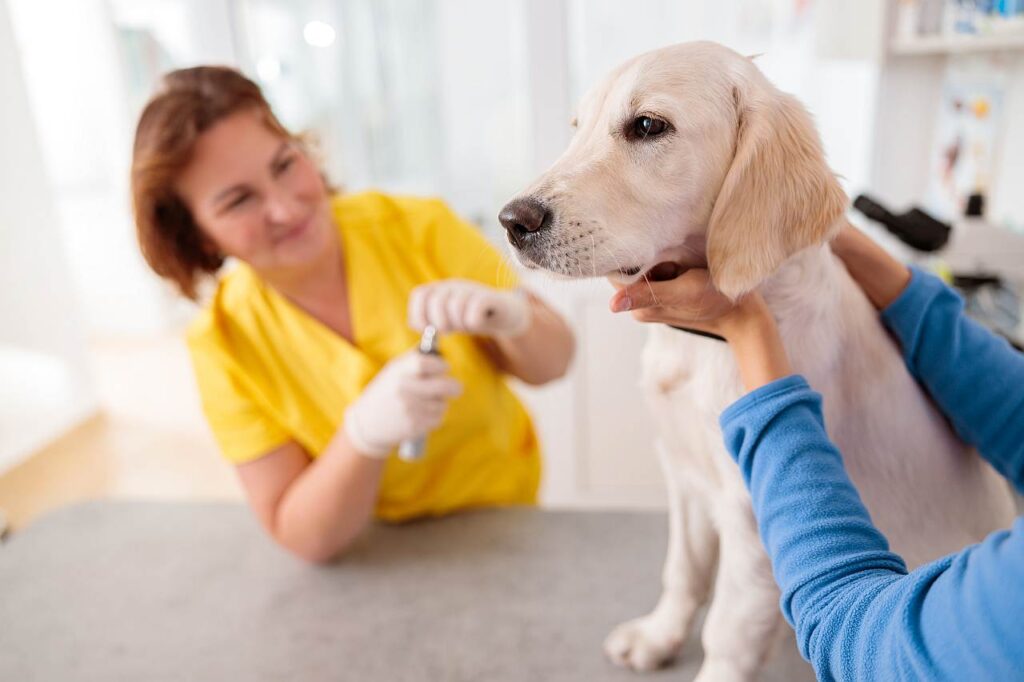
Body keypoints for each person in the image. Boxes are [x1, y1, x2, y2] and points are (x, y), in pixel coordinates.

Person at [131, 66, 574, 563]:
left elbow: (554, 364)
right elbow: (302, 536)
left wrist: (514, 319)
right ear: (197, 236)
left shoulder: (419, 228)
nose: (286, 208)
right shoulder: (223, 342)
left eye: (283, 165)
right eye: (239, 200)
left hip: (505, 517)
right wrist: (364, 434)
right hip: (371, 551)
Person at [611, 227, 1022, 680]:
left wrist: (748, 329)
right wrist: (819, 223)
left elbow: (864, 643)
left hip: (907, 621)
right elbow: (1014, 416)